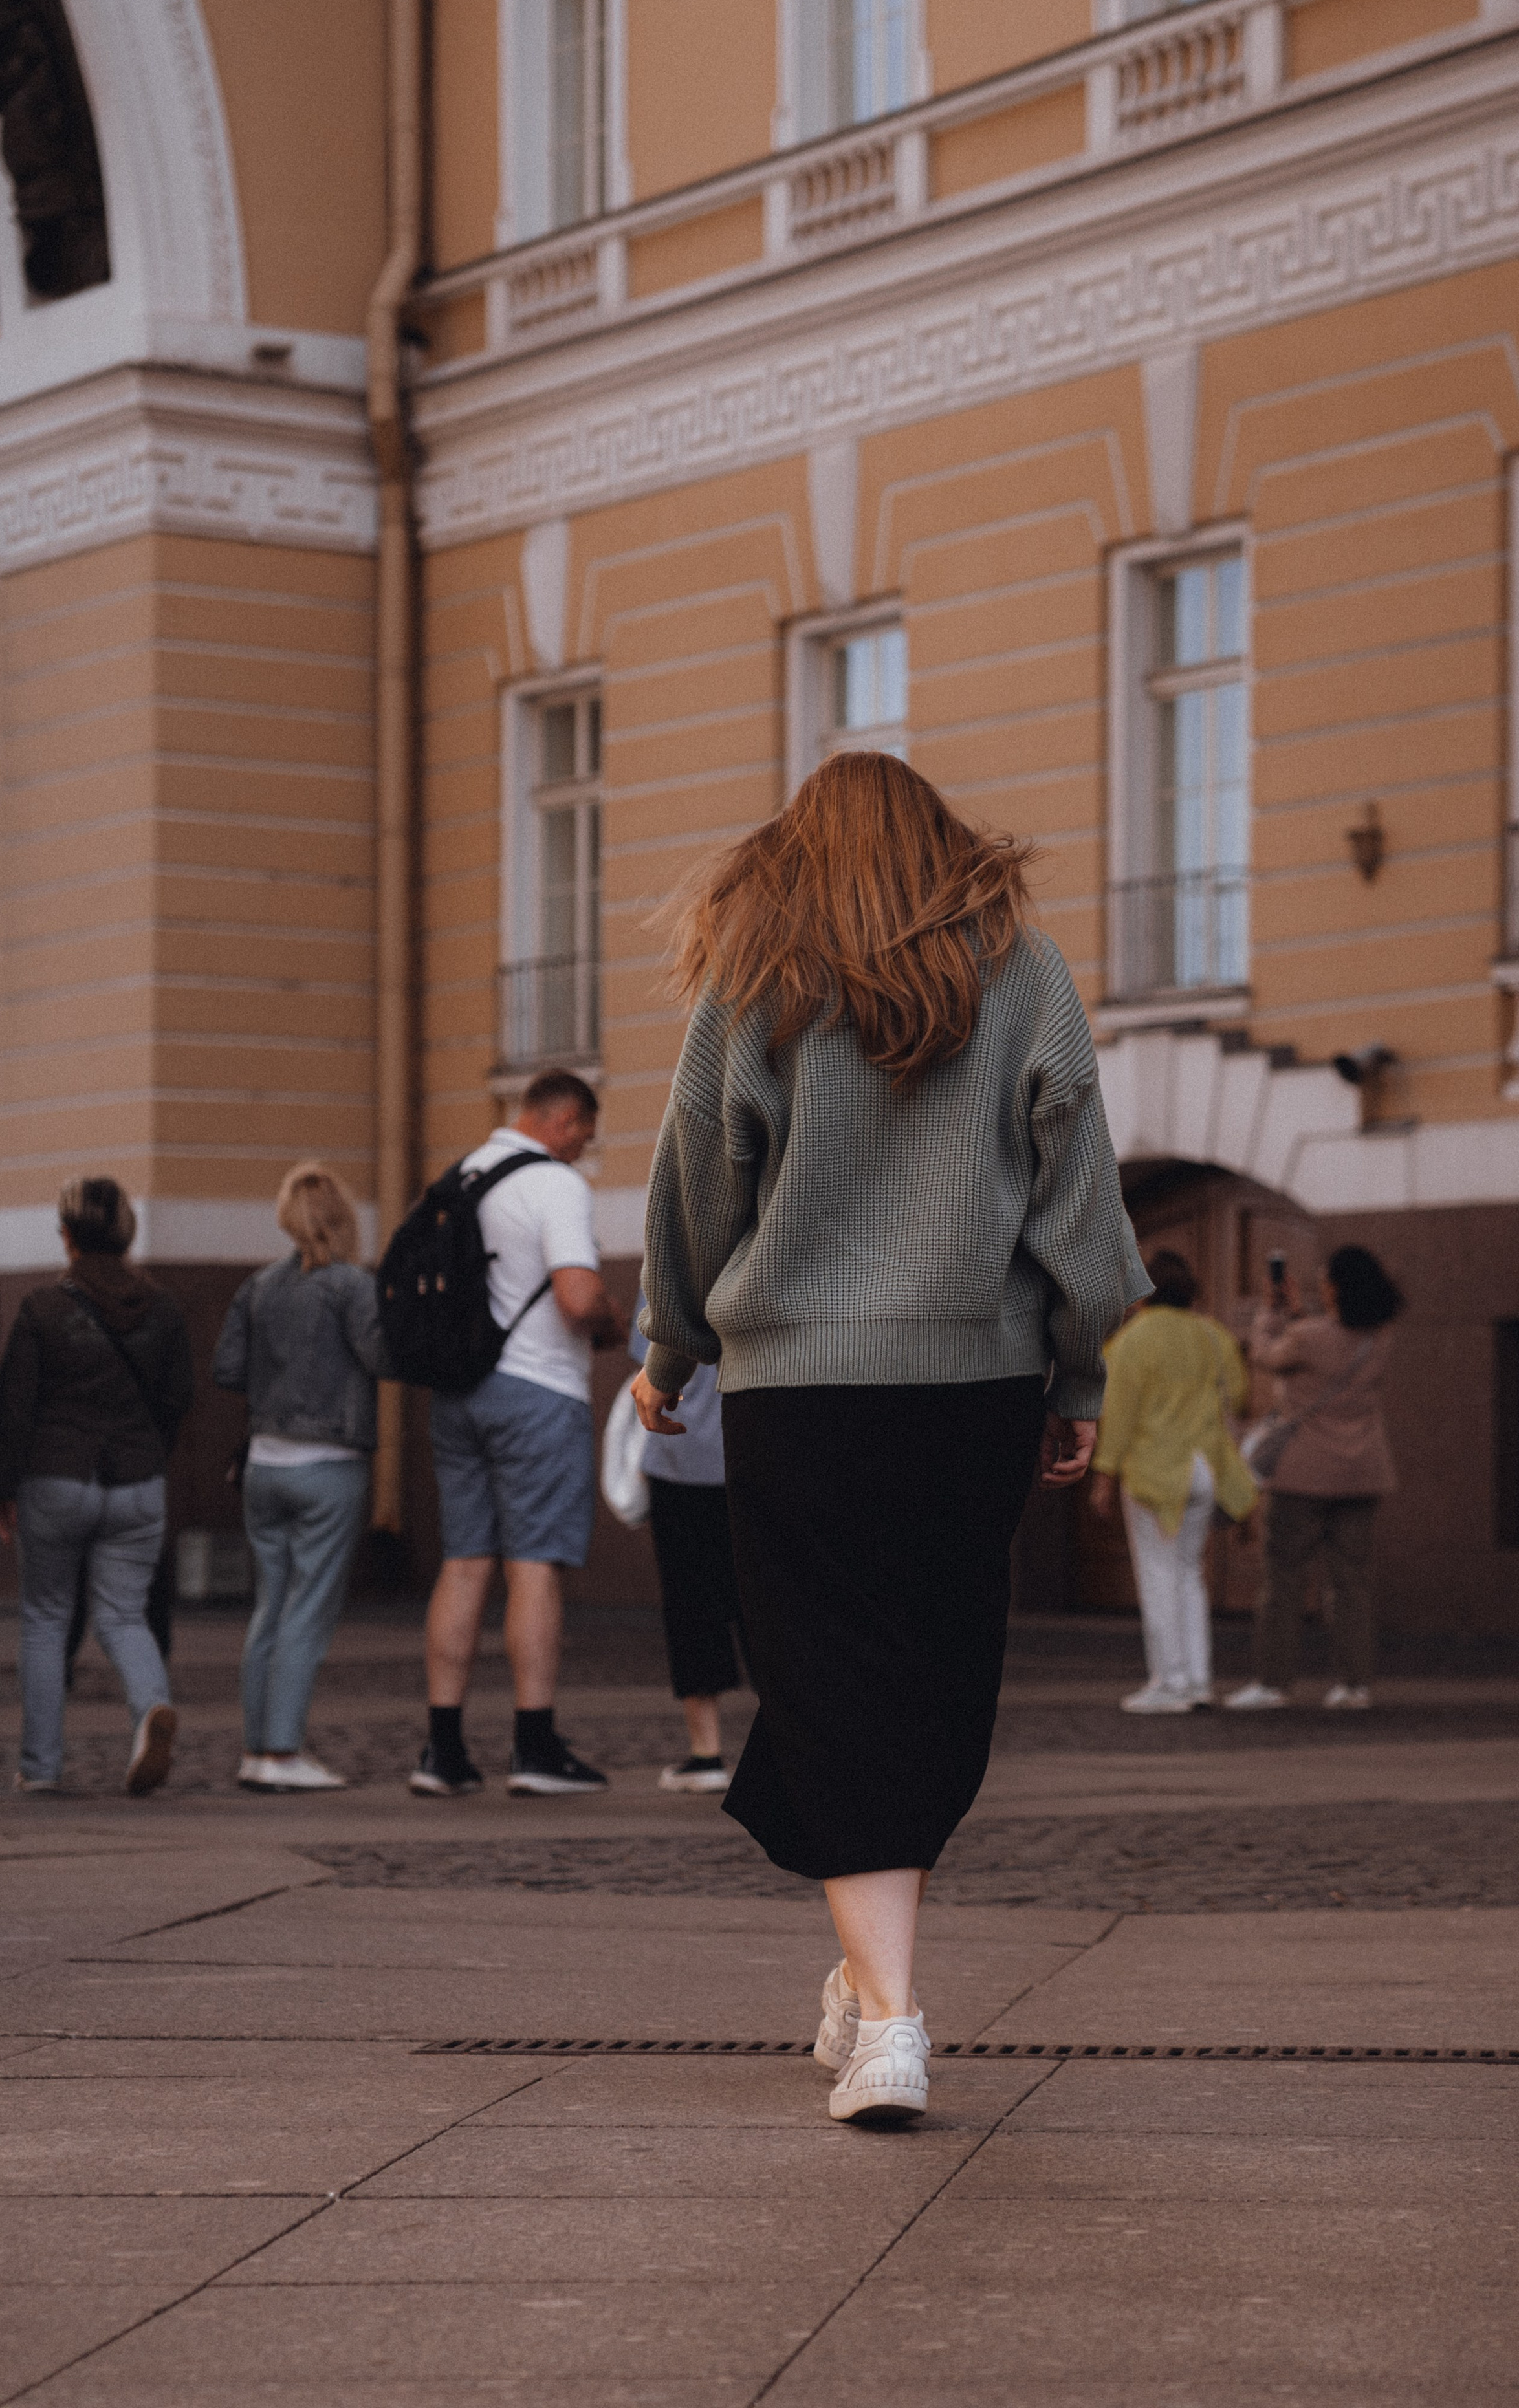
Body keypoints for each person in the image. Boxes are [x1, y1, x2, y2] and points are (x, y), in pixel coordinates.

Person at [631, 753, 1146, 2127]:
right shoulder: (1019, 968)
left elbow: (697, 1164)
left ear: (795, 851)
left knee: (821, 1674)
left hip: (796, 1392)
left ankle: (893, 2025)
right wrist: (1078, 1372)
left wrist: (670, 1345)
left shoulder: (758, 973)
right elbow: (1074, 1175)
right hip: (972, 1386)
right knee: (922, 1676)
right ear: (945, 845)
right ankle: (866, 1988)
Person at [412, 1070, 626, 1796]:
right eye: (584, 1137)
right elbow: (577, 1295)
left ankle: (442, 1751)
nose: (582, 1152)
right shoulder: (554, 1186)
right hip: (537, 1390)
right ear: (564, 1120)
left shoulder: (462, 1174)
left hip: (459, 1390)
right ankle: (534, 1747)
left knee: (465, 1561)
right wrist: (612, 1321)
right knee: (533, 1564)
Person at [0, 1177, 193, 1795]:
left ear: (69, 1237)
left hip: (57, 1478)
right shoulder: (164, 1309)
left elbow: (14, 1405)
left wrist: (1, 1487)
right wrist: (149, 1456)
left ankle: (41, 1768)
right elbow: (179, 1398)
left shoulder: (44, 1308)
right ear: (127, 1235)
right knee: (125, 1615)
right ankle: (152, 1706)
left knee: (47, 1619)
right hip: (137, 1483)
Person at [213, 1162, 389, 1791]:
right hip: (329, 1463)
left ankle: (257, 1749)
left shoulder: (259, 1286)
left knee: (269, 1609)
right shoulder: (351, 1284)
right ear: (342, 1218)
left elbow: (228, 1367)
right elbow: (382, 1357)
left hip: (263, 1463)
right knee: (307, 1614)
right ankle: (284, 1753)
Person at [1225, 1245, 1403, 1713]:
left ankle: (1273, 1682)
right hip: (1363, 1473)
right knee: (1352, 1583)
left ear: (1338, 1288)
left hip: (1302, 1476)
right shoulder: (1381, 1335)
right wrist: (1300, 1314)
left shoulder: (1306, 1338)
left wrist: (1271, 1310)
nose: (1320, 1287)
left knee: (1283, 1579)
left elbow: (1266, 1354)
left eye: (1325, 1280)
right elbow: (1333, 1339)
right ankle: (1354, 1684)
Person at [1089, 1249, 1257, 1715]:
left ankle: (1170, 1682)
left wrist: (1104, 1476)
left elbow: (1117, 1416)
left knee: (1157, 1574)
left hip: (1155, 1471)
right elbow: (1239, 1395)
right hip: (1206, 1468)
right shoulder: (1213, 1335)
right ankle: (1199, 1680)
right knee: (1188, 1573)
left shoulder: (1132, 1341)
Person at [627, 1290, 748, 1792]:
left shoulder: (672, 1254)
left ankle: (706, 1752)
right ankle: (795, 1745)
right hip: (757, 1456)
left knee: (691, 1605)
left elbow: (648, 1355)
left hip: (681, 1455)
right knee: (774, 1606)